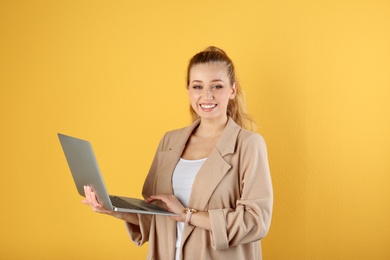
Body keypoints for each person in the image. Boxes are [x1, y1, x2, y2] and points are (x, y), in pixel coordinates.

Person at [83, 46, 273, 259]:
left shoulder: (249, 145)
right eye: (197, 86)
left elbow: (256, 222)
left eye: (217, 86)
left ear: (232, 90)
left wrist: (187, 215)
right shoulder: (170, 141)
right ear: (189, 91)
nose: (207, 95)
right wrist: (112, 209)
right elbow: (156, 216)